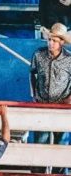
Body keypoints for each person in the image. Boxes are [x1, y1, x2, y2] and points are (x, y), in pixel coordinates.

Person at [30, 23, 71, 154]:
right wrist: (34, 96)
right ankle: (39, 167)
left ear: (62, 42)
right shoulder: (38, 55)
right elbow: (32, 74)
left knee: (61, 144)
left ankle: (59, 167)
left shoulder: (69, 59)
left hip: (63, 106)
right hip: (42, 104)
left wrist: (69, 99)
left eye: (54, 41)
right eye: (49, 40)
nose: (50, 43)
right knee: (40, 141)